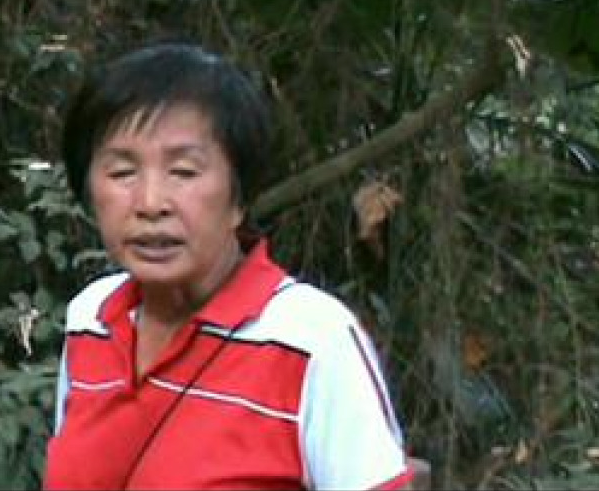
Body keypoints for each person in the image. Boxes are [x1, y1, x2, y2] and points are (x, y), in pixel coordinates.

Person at [45, 42, 416, 490]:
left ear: (239, 197)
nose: (150, 203)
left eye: (184, 172)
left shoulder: (311, 340)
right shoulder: (91, 319)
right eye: (122, 173)